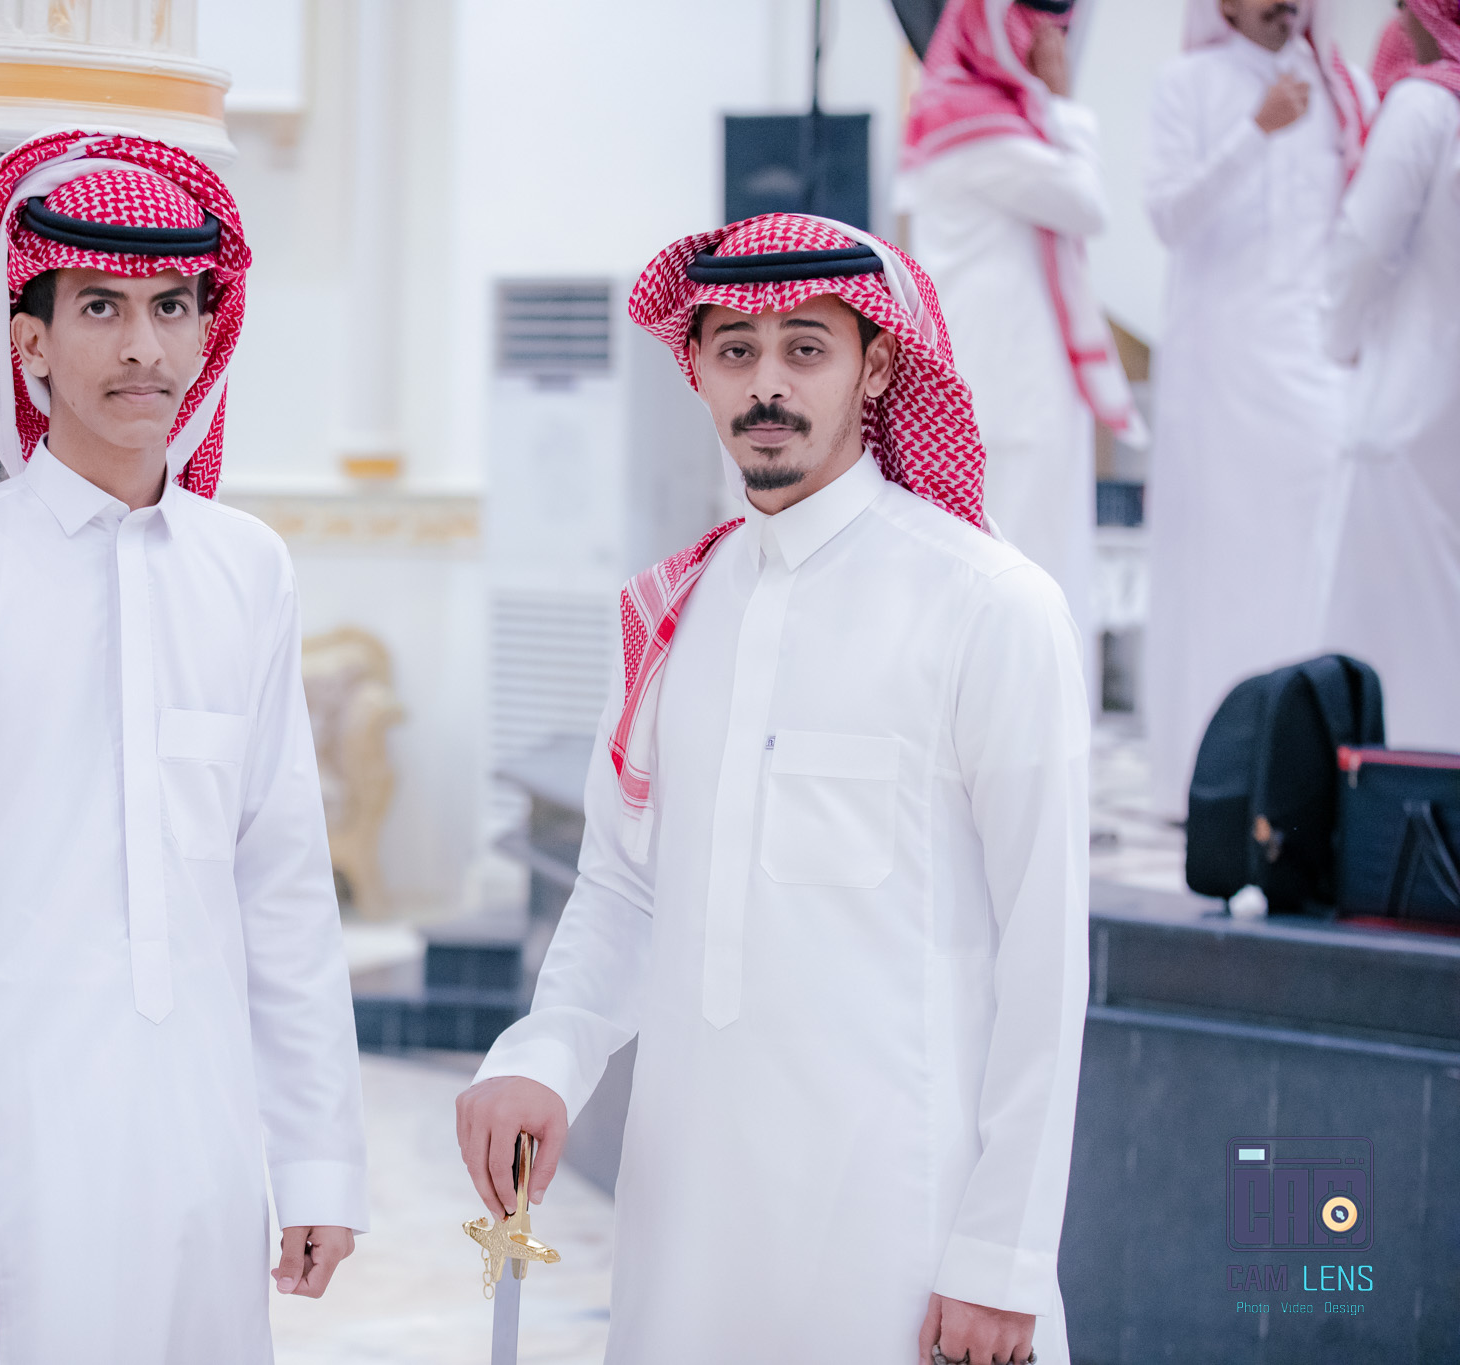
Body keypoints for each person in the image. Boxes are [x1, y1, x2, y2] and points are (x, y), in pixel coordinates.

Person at [455, 213, 1090, 1365]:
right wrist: (543, 1055)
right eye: (735, 350)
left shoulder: (988, 606)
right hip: (687, 1226)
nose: (765, 385)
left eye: (805, 348)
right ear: (694, 367)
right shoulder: (675, 609)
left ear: (876, 367)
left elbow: (1043, 958)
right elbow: (625, 890)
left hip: (898, 1229)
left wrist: (999, 1257)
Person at [0, 129, 367, 1362]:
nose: (143, 346)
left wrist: (317, 1161)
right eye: (100, 308)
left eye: (171, 307)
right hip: (6, 1155)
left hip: (201, 1150)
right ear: (28, 342)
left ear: (205, 332)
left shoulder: (247, 569)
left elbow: (283, 885)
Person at [1140, 0, 1374, 815]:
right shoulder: (1189, 82)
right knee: (1222, 572)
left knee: (1313, 564)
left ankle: (1304, 782)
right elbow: (1168, 215)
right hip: (1221, 368)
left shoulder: (1338, 87)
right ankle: (1212, 782)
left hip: (1315, 363)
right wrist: (1255, 131)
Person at [899, 0, 1143, 689]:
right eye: (1031, 25)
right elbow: (1086, 202)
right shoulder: (975, 132)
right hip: (1009, 389)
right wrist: (1062, 102)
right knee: (1022, 572)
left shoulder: (980, 122)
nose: (1047, 41)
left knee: (1038, 565)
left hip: (1020, 381)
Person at [1318, 0, 1460, 750]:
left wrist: (1338, 339)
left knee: (1391, 652)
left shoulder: (1426, 107)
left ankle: (1399, 813)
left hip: (1407, 413)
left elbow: (1364, 244)